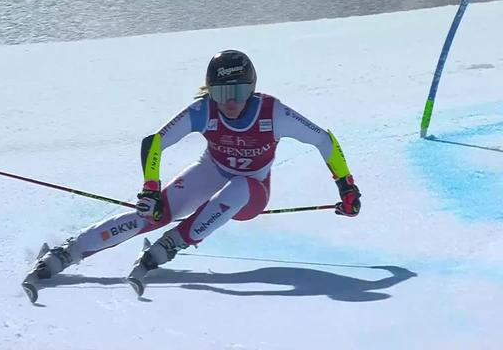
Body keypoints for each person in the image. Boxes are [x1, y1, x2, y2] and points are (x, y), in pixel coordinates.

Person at [21, 49, 361, 302]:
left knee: (240, 186)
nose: (230, 103)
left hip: (253, 189)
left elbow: (323, 140)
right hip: (211, 169)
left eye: (239, 93)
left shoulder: (274, 112)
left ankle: (174, 243)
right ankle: (68, 252)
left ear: (252, 89)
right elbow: (154, 142)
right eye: (222, 94)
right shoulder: (203, 110)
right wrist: (151, 191)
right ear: (210, 91)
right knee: (151, 214)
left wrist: (346, 187)